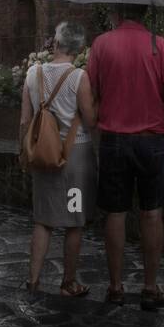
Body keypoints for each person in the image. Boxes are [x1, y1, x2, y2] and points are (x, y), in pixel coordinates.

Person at [87, 3, 164, 309]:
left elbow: (92, 93)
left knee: (115, 214)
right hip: (151, 140)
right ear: (145, 14)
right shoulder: (160, 45)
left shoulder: (102, 44)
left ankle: (116, 287)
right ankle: (150, 288)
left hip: (114, 141)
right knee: (152, 213)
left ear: (117, 13)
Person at [19, 21, 97, 298]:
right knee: (74, 221)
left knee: (43, 220)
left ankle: (33, 279)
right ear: (79, 48)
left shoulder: (32, 73)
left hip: (43, 154)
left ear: (56, 43)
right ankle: (68, 283)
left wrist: (25, 153)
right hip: (75, 155)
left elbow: (25, 120)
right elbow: (89, 119)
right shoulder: (80, 78)